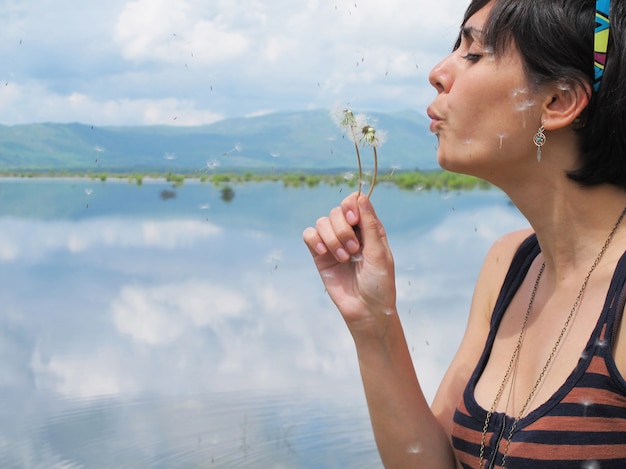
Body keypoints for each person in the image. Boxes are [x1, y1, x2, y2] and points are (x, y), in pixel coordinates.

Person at [302, 0, 626, 467]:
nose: (437, 72)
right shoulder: (509, 265)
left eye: (473, 54)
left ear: (557, 102)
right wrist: (373, 323)